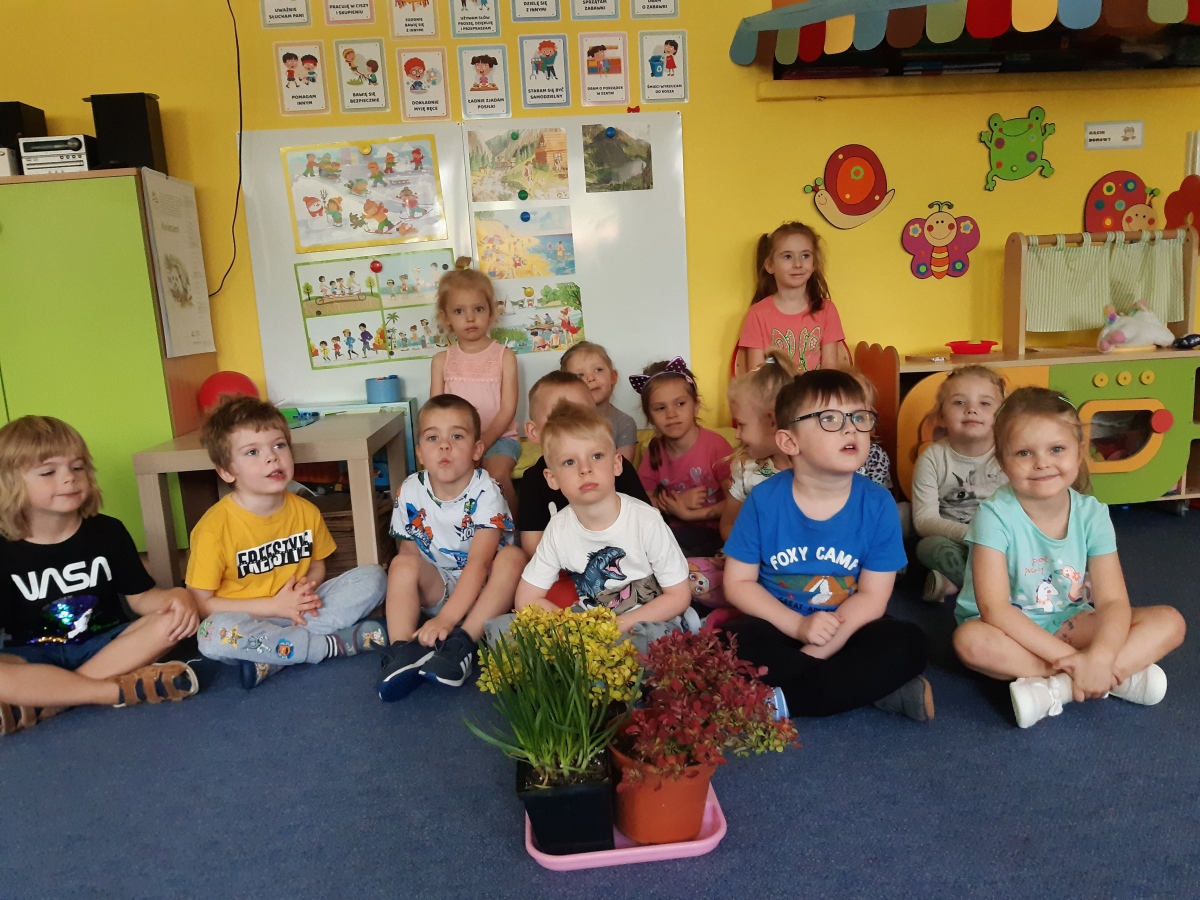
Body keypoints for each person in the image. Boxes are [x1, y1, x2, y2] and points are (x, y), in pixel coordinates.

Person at [952, 388, 1186, 728]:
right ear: (1002, 462)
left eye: (1057, 449)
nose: (1042, 462)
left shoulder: (1092, 514)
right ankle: (1108, 678)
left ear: (1079, 451)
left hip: (1070, 621)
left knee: (1170, 622)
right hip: (1006, 632)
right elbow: (995, 610)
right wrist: (1075, 661)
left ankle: (1061, 687)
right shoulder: (994, 515)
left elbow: (1113, 601)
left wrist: (1102, 655)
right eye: (1024, 453)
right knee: (969, 642)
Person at [722, 370, 933, 721]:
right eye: (830, 420)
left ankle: (783, 702)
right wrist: (799, 628)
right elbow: (738, 583)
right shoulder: (763, 500)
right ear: (790, 442)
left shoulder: (879, 504)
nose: (851, 430)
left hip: (848, 629)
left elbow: (873, 598)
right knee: (730, 640)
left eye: (860, 418)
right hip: (779, 625)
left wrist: (816, 652)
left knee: (908, 643)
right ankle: (867, 689)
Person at [0, 416, 200, 735]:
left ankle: (50, 697)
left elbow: (141, 598)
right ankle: (111, 691)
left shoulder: (108, 531)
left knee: (170, 624)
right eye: (49, 472)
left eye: (77, 467)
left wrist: (177, 595)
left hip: (104, 644)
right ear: (9, 483)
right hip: (31, 655)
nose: (69, 478)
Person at [186, 397, 387, 690]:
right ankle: (326, 646)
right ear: (227, 471)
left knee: (374, 577)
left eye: (279, 445)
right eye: (252, 452)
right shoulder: (213, 528)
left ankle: (274, 656)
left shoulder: (306, 511)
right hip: (249, 620)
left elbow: (317, 565)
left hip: (300, 612)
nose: (272, 457)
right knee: (210, 634)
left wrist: (305, 590)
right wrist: (274, 606)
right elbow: (203, 604)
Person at [509, 402, 697, 654]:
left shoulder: (646, 520)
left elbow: (678, 596)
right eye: (569, 462)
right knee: (507, 631)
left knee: (640, 647)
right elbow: (526, 599)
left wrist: (617, 626)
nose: (585, 469)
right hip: (591, 620)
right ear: (552, 479)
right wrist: (574, 627)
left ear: (617, 464)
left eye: (596, 456)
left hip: (649, 620)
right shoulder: (558, 528)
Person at [378, 395, 524, 701]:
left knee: (513, 558)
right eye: (433, 438)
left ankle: (463, 642)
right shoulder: (410, 489)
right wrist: (422, 601)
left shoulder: (486, 491)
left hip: (485, 593)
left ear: (477, 450)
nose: (444, 446)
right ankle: (402, 650)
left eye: (457, 436)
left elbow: (480, 563)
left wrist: (446, 620)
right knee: (401, 563)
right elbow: (409, 553)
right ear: (420, 452)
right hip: (439, 586)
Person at [519, 371, 650, 564]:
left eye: (582, 415)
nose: (573, 427)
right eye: (559, 418)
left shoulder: (616, 467)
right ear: (534, 431)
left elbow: (648, 530)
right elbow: (533, 547)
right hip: (563, 571)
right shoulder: (533, 480)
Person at [430, 257, 521, 519]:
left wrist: (481, 444)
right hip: (455, 442)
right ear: (446, 317)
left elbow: (507, 410)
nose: (470, 318)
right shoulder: (441, 361)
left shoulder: (505, 356)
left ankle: (516, 534)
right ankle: (459, 534)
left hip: (499, 440)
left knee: (497, 477)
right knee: (444, 480)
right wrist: (461, 446)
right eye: (459, 311)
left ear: (491, 312)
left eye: (478, 309)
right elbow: (436, 415)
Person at [911, 366, 1008, 602]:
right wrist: (971, 535)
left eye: (985, 403)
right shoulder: (932, 459)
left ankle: (952, 584)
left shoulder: (1009, 455)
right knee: (927, 547)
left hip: (1002, 542)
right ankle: (990, 588)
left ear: (1001, 415)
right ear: (941, 416)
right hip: (955, 540)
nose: (972, 409)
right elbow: (924, 521)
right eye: (959, 402)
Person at [633, 357, 732, 557]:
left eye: (680, 404)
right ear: (649, 416)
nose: (671, 414)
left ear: (696, 406)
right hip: (673, 534)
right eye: (660, 408)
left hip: (718, 532)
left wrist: (688, 514)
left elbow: (736, 504)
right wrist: (674, 504)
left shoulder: (717, 446)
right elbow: (642, 503)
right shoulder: (654, 451)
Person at [736, 221, 845, 375]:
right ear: (770, 266)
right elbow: (757, 374)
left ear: (814, 264)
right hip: (774, 390)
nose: (798, 264)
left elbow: (830, 368)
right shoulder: (757, 314)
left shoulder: (827, 310)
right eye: (787, 256)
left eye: (805, 256)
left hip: (816, 390)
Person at [560, 340, 638, 462]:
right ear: (567, 386)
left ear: (613, 376)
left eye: (598, 370)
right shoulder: (561, 423)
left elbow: (624, 468)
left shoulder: (624, 423)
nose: (591, 378)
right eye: (580, 375)